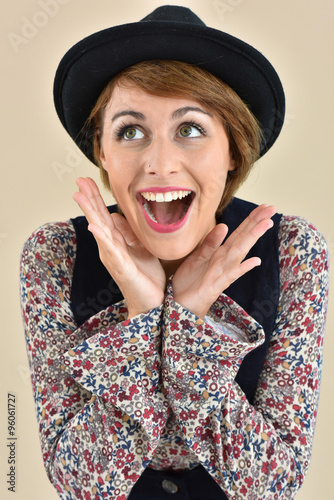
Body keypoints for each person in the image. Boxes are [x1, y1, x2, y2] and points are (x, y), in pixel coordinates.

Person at [20, 5, 329, 500]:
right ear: (102, 151)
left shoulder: (294, 251)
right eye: (130, 131)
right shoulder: (54, 255)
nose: (160, 163)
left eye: (190, 129)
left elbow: (273, 486)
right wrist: (144, 317)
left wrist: (186, 323)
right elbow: (79, 485)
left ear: (233, 149)